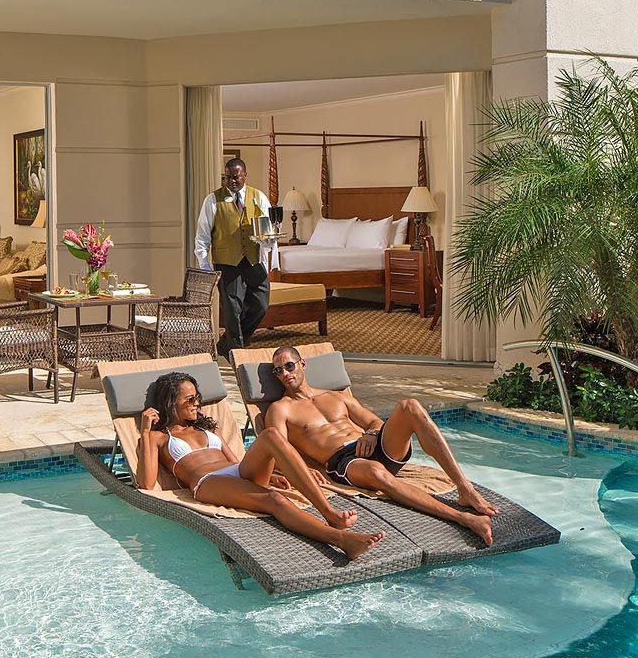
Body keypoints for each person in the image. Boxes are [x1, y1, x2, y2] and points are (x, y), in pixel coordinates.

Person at [262, 346, 500, 546]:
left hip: (374, 446)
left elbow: (374, 421)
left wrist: (372, 433)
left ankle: (464, 487)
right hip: (345, 461)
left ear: (302, 364)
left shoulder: (337, 396)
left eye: (289, 366)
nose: (284, 373)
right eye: (278, 370)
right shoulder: (280, 409)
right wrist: (305, 469)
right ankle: (462, 518)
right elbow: (279, 449)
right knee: (376, 471)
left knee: (410, 406)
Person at [138, 372, 385, 561]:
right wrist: (146, 430)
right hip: (208, 482)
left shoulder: (208, 427)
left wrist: (273, 471)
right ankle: (341, 539)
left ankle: (328, 512)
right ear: (171, 402)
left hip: (235, 474)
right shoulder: (159, 437)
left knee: (271, 436)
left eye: (197, 397)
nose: (197, 403)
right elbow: (146, 483)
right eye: (190, 399)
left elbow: (235, 462)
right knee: (274, 500)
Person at [194, 157, 275, 359]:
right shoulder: (212, 200)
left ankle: (226, 343)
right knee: (232, 309)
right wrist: (206, 268)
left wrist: (269, 258)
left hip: (254, 260)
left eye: (235, 177)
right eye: (227, 177)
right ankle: (238, 354)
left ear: (244, 176)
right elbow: (202, 237)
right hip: (227, 262)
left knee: (261, 305)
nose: (231, 181)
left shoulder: (259, 197)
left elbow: (268, 231)